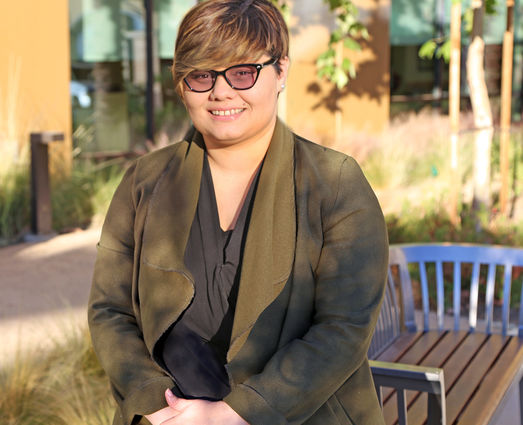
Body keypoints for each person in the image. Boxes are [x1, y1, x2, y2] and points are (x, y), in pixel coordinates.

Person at [87, 0, 389, 424]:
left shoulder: (334, 182)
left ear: (281, 71)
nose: (221, 91)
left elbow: (344, 326)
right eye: (201, 75)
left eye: (243, 72)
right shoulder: (145, 181)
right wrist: (155, 404)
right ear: (181, 83)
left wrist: (236, 414)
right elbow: (110, 310)